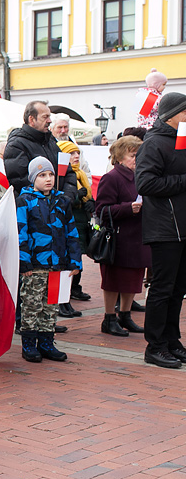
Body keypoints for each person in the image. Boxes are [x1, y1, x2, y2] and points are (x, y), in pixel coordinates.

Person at [135, 92, 186, 368]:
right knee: (162, 289)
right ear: (173, 114)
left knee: (178, 289)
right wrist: (183, 181)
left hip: (182, 227)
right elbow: (145, 184)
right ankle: (154, 346)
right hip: (165, 228)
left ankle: (171, 340)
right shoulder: (153, 142)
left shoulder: (182, 140)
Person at [16, 157, 81, 364]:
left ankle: (46, 342)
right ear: (33, 178)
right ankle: (29, 344)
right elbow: (21, 233)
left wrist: (75, 261)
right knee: (31, 305)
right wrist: (24, 262)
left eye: (51, 175)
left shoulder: (62, 201)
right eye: (42, 175)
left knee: (51, 305)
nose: (48, 179)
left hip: (57, 265)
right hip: (35, 266)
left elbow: (71, 231)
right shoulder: (25, 201)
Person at [95, 135, 148, 337]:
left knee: (133, 278)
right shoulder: (112, 178)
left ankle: (125, 315)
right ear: (119, 156)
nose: (137, 159)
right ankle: (109, 318)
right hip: (118, 238)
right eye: (133, 155)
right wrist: (128, 208)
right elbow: (101, 210)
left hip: (138, 236)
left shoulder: (141, 176)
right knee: (114, 280)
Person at [57, 140, 94, 311]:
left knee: (77, 260)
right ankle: (63, 300)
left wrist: (90, 203)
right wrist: (77, 197)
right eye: (71, 153)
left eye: (77, 153)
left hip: (80, 223)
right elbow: (60, 202)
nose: (76, 156)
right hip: (67, 225)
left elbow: (89, 197)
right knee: (68, 261)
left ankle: (72, 292)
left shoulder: (82, 175)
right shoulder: (60, 176)